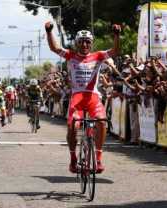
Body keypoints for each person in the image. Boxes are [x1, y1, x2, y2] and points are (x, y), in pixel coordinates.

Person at [45, 21, 121, 173]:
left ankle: (98, 159)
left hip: (93, 97)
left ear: (91, 44)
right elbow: (54, 48)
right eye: (81, 42)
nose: (85, 44)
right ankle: (73, 159)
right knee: (72, 126)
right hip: (77, 98)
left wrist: (117, 36)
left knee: (101, 122)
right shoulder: (70, 55)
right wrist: (49, 32)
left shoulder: (98, 56)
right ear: (77, 43)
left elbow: (115, 51)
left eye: (88, 42)